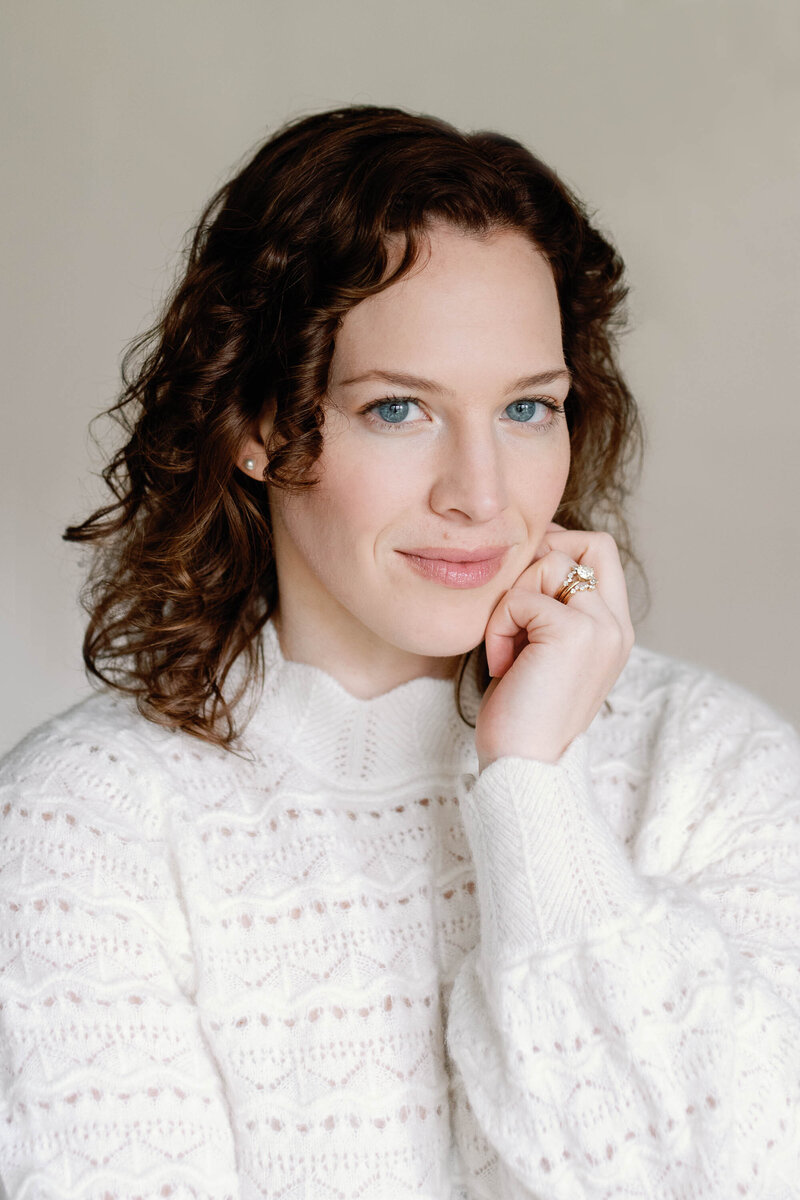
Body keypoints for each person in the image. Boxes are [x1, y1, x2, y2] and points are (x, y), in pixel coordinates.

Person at [0, 104, 797, 1200]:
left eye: (525, 407)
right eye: (396, 411)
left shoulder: (712, 770)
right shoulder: (82, 824)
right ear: (251, 421)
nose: (478, 493)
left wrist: (530, 792)